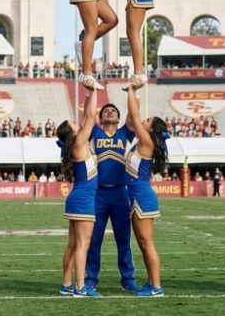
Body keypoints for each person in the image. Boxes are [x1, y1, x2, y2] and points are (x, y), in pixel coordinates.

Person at [84, 98, 138, 292]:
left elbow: (134, 115)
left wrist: (134, 90)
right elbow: (87, 115)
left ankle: (128, 278)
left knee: (123, 238)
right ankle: (90, 278)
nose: (109, 112)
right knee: (94, 238)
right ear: (100, 118)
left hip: (119, 193)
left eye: (113, 111)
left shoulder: (125, 133)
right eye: (105, 110)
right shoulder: (95, 132)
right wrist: (91, 91)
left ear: (118, 118)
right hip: (98, 193)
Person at [124, 78, 169, 296]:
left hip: (141, 196)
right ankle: (151, 284)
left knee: (146, 243)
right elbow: (134, 119)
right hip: (136, 196)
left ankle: (157, 287)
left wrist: (131, 91)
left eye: (148, 120)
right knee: (143, 244)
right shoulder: (144, 142)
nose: (144, 120)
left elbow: (133, 117)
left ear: (152, 129)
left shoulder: (147, 142)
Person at [58, 82, 100, 297]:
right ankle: (80, 287)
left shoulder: (76, 144)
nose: (77, 124)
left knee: (73, 244)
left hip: (78, 197)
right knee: (83, 244)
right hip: (83, 198)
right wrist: (93, 92)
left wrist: (88, 92)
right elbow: (91, 119)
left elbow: (86, 118)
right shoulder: (78, 144)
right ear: (71, 133)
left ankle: (66, 284)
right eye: (73, 124)